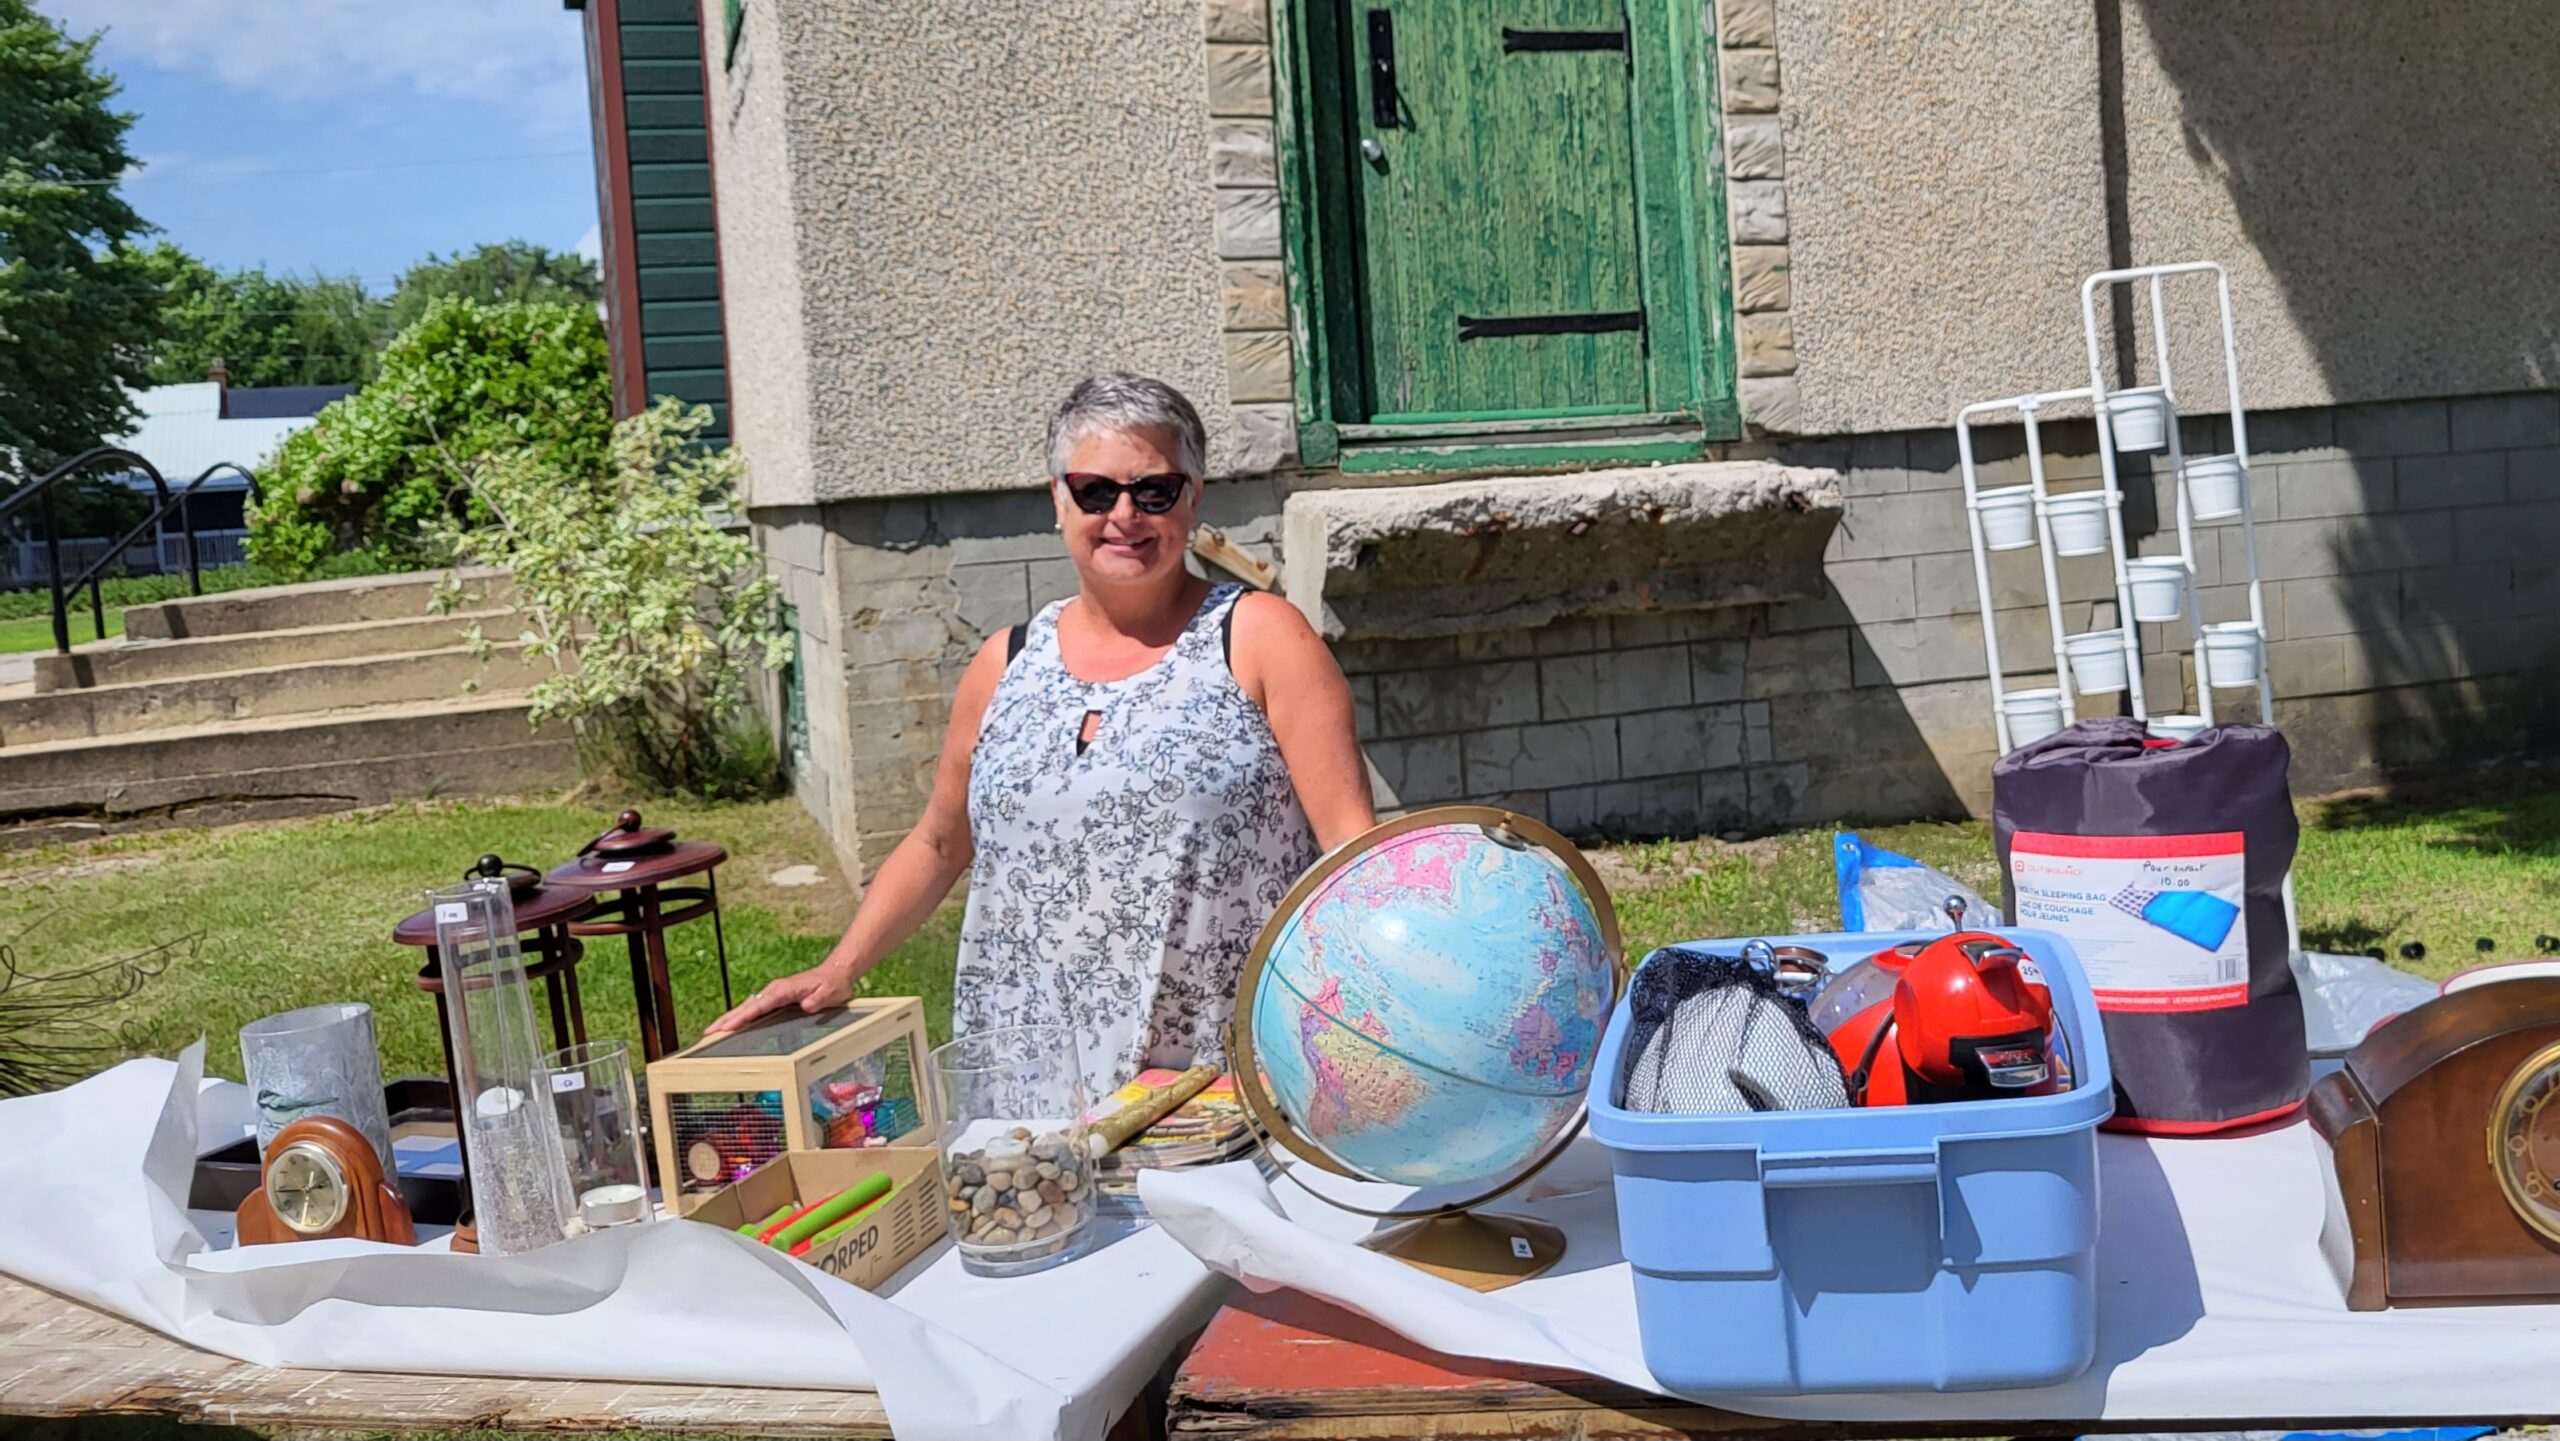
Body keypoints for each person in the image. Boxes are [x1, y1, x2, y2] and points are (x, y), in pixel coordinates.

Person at [707, 373, 1376, 1096]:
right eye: (1095, 490)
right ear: (1058, 498)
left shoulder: (1260, 637)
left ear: (1194, 497)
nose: (1125, 514)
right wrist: (839, 968)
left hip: (1212, 1088)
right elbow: (939, 841)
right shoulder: (1005, 663)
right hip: (1026, 1093)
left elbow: (1352, 849)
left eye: (1155, 490)